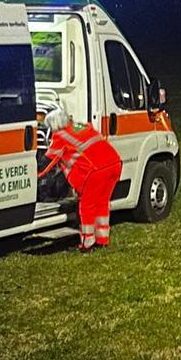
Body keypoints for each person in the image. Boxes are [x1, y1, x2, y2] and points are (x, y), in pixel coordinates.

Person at [40, 105, 123, 252]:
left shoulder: (60, 136)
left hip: (96, 171)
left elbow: (47, 161)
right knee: (102, 203)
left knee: (87, 206)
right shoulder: (79, 126)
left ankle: (88, 242)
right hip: (114, 163)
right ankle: (102, 239)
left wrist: (34, 174)